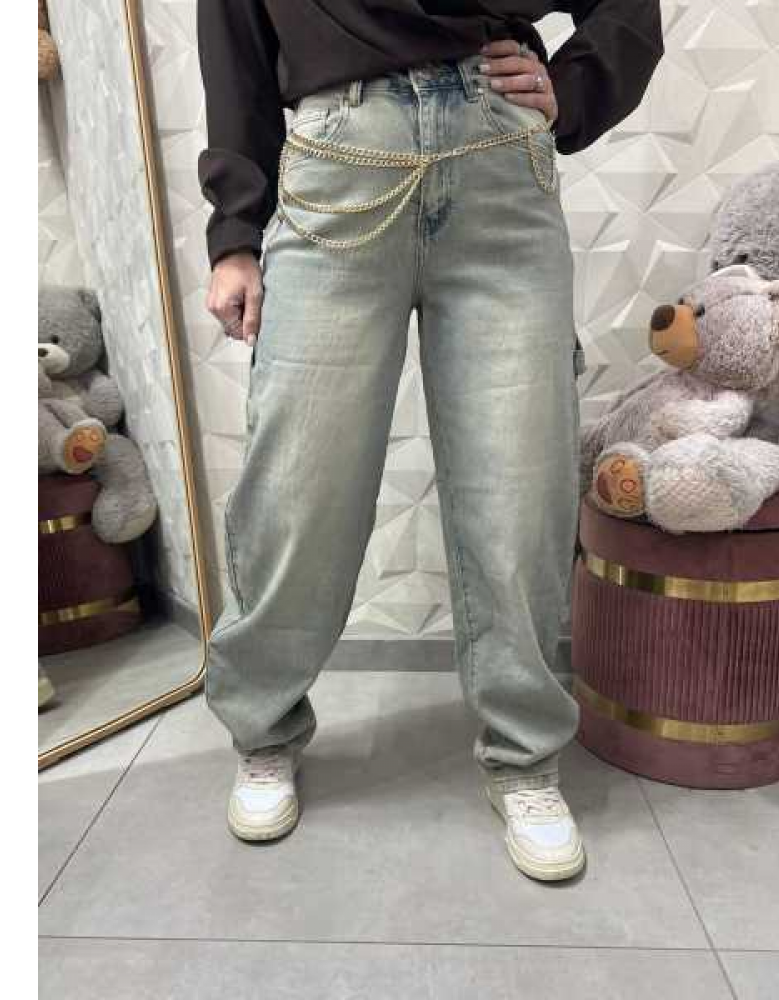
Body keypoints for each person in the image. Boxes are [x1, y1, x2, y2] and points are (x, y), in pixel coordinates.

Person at [196, 1, 663, 882]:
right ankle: (263, 730)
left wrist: (574, 86)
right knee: (300, 484)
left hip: (499, 160)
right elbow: (234, 32)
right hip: (339, 164)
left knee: (519, 487)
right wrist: (235, 234)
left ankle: (525, 758)